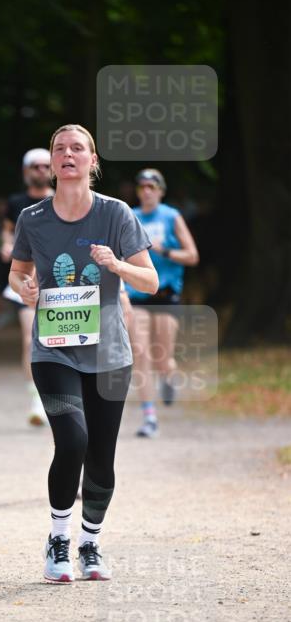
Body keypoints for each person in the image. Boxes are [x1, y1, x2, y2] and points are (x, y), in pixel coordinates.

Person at [9, 125, 157, 582]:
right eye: (60, 149)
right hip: (54, 351)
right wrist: (26, 287)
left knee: (102, 455)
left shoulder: (116, 214)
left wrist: (116, 264)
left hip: (110, 353)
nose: (68, 155)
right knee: (72, 440)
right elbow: (17, 273)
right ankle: (58, 537)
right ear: (51, 164)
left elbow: (150, 281)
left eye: (78, 149)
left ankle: (90, 543)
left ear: (92, 162)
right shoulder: (33, 219)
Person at [126, 168, 200, 438]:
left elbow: (192, 255)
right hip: (137, 296)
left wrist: (163, 250)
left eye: (152, 186)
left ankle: (168, 377)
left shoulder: (171, 216)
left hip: (166, 294)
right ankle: (149, 417)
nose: (147, 191)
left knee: (162, 358)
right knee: (140, 353)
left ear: (161, 191)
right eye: (142, 186)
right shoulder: (130, 216)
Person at [1, 149, 55, 426]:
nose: (41, 170)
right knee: (30, 338)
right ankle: (36, 397)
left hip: (58, 280)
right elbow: (8, 230)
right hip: (26, 278)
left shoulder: (62, 200)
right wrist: (7, 245)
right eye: (36, 166)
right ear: (26, 171)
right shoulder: (16, 202)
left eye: (46, 166)